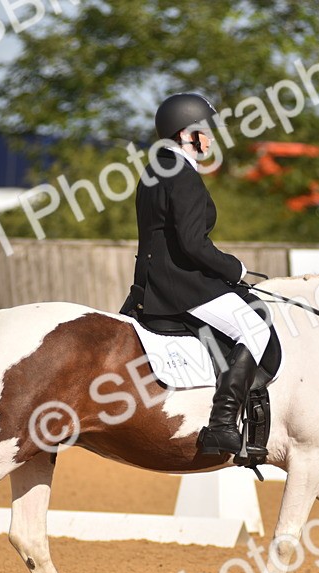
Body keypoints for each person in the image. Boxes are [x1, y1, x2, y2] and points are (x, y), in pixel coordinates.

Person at [120, 92, 271, 456]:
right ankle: (222, 422)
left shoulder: (155, 169)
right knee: (255, 327)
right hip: (180, 287)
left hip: (152, 284)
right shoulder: (182, 174)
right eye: (208, 131)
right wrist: (235, 268)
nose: (212, 139)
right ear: (189, 134)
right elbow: (191, 244)